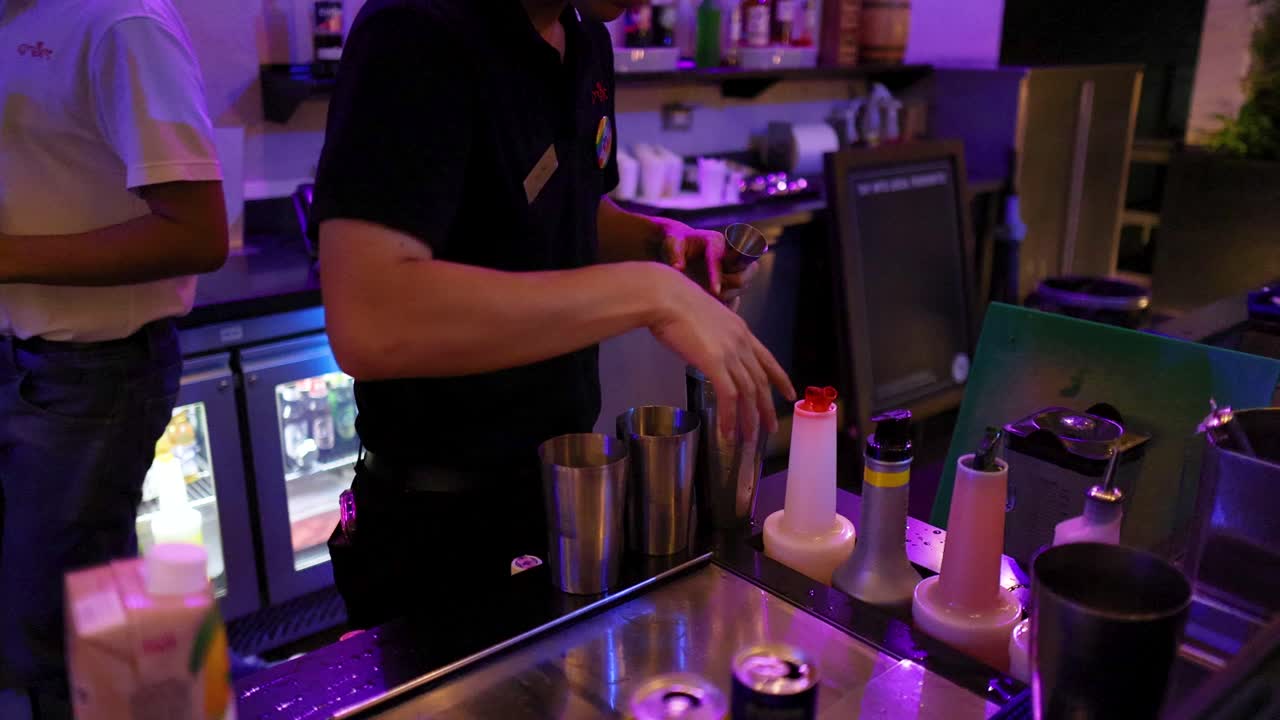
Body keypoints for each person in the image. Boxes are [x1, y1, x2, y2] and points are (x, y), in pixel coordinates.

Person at [315, 0, 794, 628]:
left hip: (562, 492)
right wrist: (651, 294)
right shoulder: (415, 28)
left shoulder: (585, 39)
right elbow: (369, 318)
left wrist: (659, 245)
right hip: (436, 523)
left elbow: (572, 211)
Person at [0, 0, 228, 715]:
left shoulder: (121, 20)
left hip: (93, 371)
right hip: (24, 354)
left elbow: (199, 234)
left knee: (60, 636)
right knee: (49, 627)